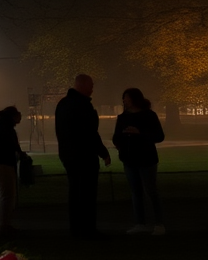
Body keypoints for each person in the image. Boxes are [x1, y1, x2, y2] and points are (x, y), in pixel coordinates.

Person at [54, 74, 111, 239]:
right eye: (91, 85)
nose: (92, 88)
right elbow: (90, 133)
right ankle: (88, 229)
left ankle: (76, 229)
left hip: (68, 154)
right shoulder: (83, 105)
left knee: (75, 192)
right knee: (87, 194)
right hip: (84, 155)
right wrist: (103, 152)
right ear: (83, 85)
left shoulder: (63, 104)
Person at [112, 87, 165, 235]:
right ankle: (140, 223)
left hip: (146, 158)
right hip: (129, 158)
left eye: (127, 98)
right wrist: (120, 142)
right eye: (124, 98)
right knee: (136, 192)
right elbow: (116, 136)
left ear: (135, 99)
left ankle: (159, 223)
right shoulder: (123, 118)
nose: (124, 101)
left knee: (151, 190)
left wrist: (139, 134)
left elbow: (159, 136)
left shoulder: (149, 116)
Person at [0, 106, 24, 238]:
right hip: (4, 163)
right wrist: (21, 154)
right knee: (7, 195)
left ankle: (5, 224)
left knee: (6, 195)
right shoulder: (5, 127)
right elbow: (12, 144)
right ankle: (4, 225)